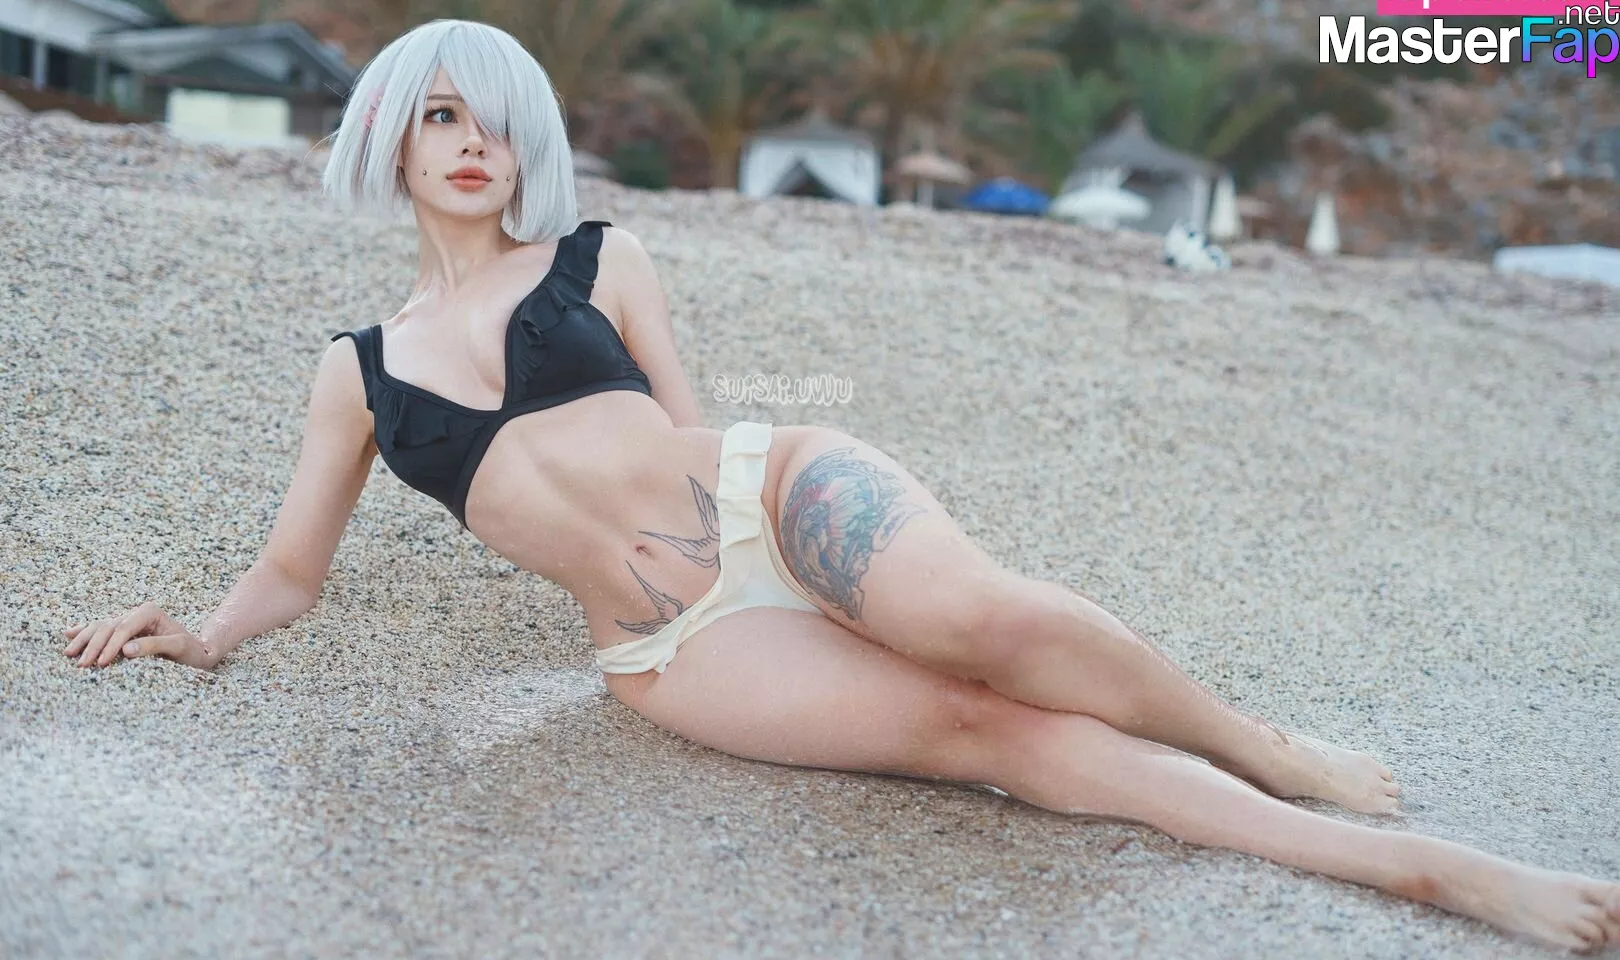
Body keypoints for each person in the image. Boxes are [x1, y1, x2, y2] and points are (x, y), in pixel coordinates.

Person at [60, 19, 1617, 953]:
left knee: (988, 625)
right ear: (391, 140)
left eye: (492, 118)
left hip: (768, 492)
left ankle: (1263, 749)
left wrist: (801, 556)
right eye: (438, 114)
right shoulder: (357, 369)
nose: (470, 143)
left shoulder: (599, 255)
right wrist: (201, 632)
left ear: (527, 141)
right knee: (989, 735)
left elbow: (691, 431)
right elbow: (293, 573)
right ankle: (1432, 876)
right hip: (668, 648)